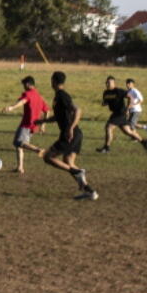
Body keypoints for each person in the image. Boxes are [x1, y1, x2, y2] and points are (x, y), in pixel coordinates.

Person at [42, 71, 99, 200]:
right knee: (68, 162)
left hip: (70, 134)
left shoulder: (62, 95)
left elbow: (78, 110)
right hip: (76, 134)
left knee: (48, 157)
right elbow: (58, 117)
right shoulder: (58, 96)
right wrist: (43, 121)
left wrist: (71, 128)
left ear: (53, 81)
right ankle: (90, 191)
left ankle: (77, 172)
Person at [2, 75, 48, 173]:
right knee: (20, 146)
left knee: (17, 142)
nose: (23, 87)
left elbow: (22, 101)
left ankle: (38, 150)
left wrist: (11, 108)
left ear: (27, 84)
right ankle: (20, 168)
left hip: (26, 124)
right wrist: (43, 124)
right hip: (34, 126)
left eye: (24, 85)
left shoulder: (28, 94)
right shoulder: (39, 96)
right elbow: (47, 111)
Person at [96, 75, 147, 154]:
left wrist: (128, 108)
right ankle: (144, 142)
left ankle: (106, 148)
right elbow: (106, 101)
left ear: (114, 83)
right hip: (115, 113)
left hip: (121, 113)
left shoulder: (119, 91)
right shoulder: (106, 92)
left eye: (109, 83)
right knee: (128, 132)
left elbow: (130, 97)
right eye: (106, 83)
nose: (107, 84)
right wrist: (104, 103)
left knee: (109, 127)